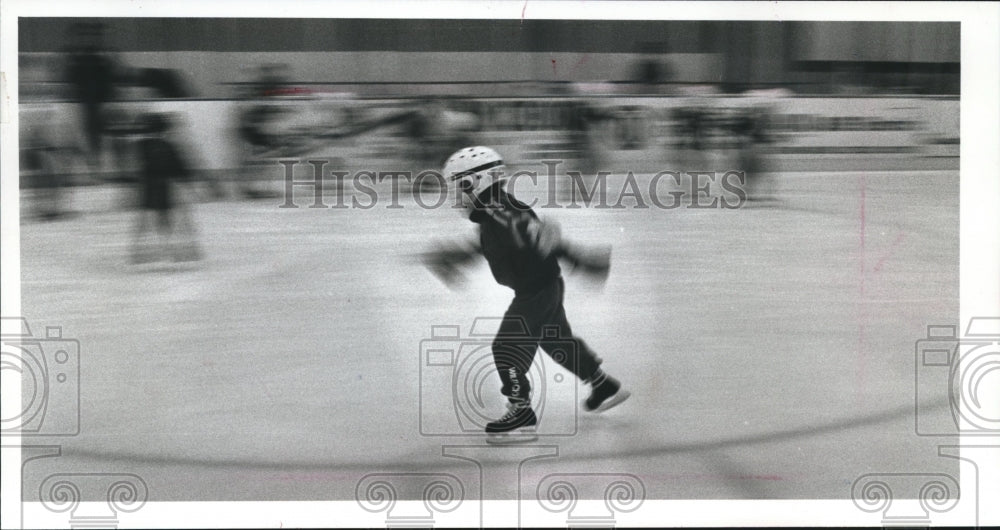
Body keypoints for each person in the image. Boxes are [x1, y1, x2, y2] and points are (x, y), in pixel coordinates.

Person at [422, 146, 630, 444]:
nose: (455, 196)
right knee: (557, 342)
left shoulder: (503, 213)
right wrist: (456, 257)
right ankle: (603, 385)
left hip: (536, 291)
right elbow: (493, 245)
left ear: (474, 182)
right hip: (542, 287)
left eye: (457, 187)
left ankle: (521, 413)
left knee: (506, 347)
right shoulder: (493, 213)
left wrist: (583, 260)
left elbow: (537, 236)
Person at [131, 113, 202, 264]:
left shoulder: (141, 146)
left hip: (148, 186)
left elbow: (139, 168)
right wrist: (190, 187)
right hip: (165, 186)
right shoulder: (168, 146)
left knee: (147, 219)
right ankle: (176, 250)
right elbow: (179, 169)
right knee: (168, 218)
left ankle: (141, 253)